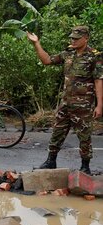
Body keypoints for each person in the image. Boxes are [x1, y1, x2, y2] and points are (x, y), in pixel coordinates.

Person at [27, 26, 103, 175]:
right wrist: (36, 43)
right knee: (57, 132)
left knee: (84, 136)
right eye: (71, 38)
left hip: (83, 105)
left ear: (85, 38)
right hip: (66, 103)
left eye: (76, 38)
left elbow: (98, 80)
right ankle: (51, 161)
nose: (72, 40)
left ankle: (85, 166)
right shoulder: (68, 53)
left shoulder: (95, 56)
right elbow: (47, 60)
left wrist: (100, 105)